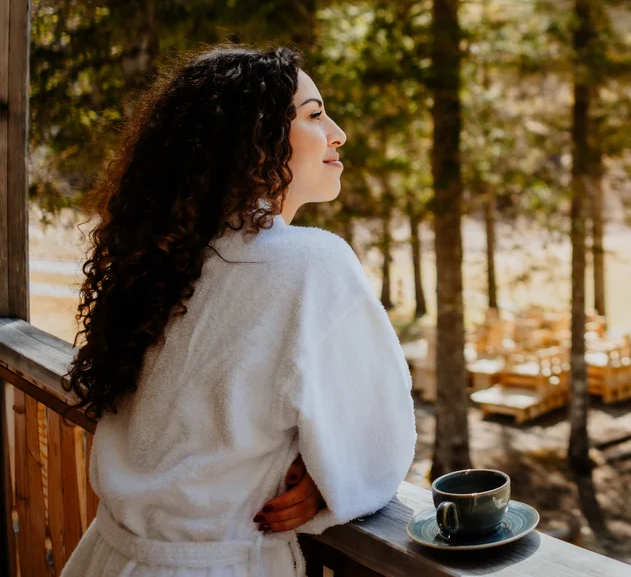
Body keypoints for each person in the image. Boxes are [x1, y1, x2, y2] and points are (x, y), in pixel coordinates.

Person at [58, 45, 417, 577]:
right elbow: (378, 438)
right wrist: (334, 473)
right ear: (254, 141)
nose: (337, 132)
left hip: (107, 559)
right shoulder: (312, 263)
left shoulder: (169, 261)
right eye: (314, 115)